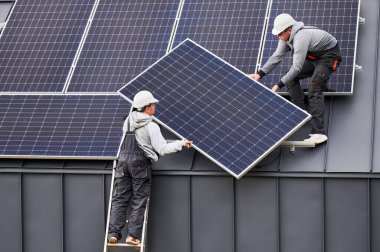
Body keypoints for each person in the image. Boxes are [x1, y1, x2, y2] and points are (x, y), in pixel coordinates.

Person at [107, 90, 192, 246]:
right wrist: (180, 143)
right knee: (139, 200)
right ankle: (132, 236)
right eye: (153, 105)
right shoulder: (151, 126)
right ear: (147, 107)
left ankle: (113, 233)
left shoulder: (127, 121)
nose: (155, 107)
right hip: (139, 164)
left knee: (119, 199)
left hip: (122, 162)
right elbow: (162, 149)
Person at [251, 13, 342, 144]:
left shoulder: (301, 38)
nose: (278, 37)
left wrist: (278, 85)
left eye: (280, 33)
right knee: (291, 78)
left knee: (314, 88)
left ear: (289, 29)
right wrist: (260, 74)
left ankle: (319, 133)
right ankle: (301, 114)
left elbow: (297, 68)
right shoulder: (286, 38)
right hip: (315, 58)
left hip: (329, 56)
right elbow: (277, 56)